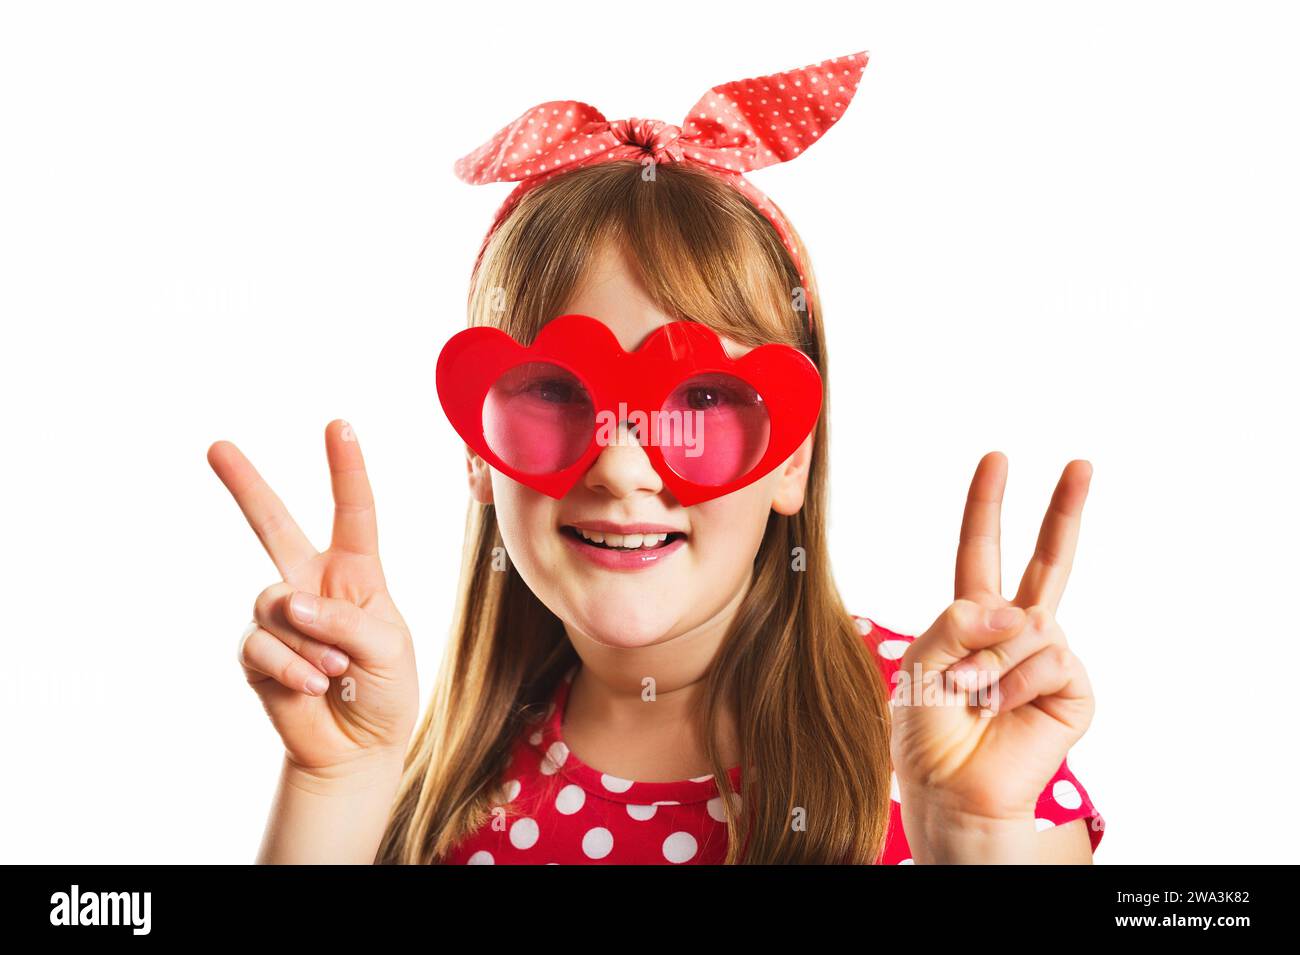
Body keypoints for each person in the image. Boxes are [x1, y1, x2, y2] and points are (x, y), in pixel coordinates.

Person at [207, 51, 1103, 864]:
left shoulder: (950, 730)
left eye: (703, 401)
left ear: (791, 457)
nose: (626, 469)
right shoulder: (434, 794)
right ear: (480, 452)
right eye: (557, 393)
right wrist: (337, 785)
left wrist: (980, 837)